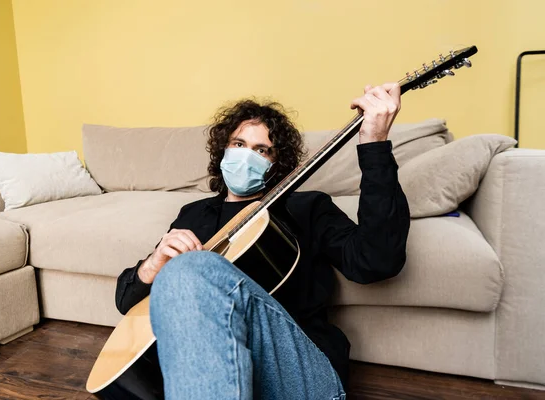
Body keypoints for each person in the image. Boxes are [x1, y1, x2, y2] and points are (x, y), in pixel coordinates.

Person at [115, 83, 410, 400]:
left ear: (275, 164)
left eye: (261, 150)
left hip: (300, 376)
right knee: (181, 276)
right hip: (213, 374)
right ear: (223, 151)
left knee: (192, 268)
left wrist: (374, 146)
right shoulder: (194, 215)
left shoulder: (306, 208)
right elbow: (126, 302)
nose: (245, 156)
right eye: (238, 144)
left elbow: (375, 262)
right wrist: (152, 266)